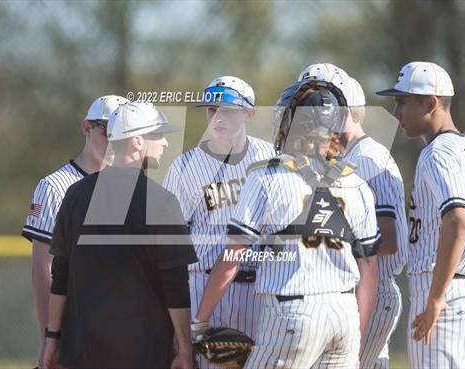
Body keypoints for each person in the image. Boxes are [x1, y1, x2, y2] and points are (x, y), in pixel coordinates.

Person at [194, 79, 381, 368]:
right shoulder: (357, 183)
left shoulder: (267, 177)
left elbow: (232, 257)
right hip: (345, 316)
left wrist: (200, 321)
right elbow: (369, 271)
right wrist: (354, 342)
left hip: (293, 312)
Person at [40, 102, 198, 369]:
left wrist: (52, 339)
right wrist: (184, 349)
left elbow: (60, 276)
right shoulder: (161, 201)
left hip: (82, 351)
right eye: (157, 135)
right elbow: (176, 284)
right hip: (145, 352)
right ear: (137, 141)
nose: (165, 143)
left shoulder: (75, 195)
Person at [377, 61, 465, 369]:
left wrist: (436, 297)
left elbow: (458, 220)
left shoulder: (437, 153)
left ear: (431, 102)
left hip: (446, 289)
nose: (396, 112)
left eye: (403, 102)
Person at [299, 64, 407, 368]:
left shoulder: (369, 157)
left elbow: (388, 238)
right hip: (361, 289)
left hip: (374, 286)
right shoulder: (346, 157)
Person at [163, 76, 274, 369]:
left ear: (249, 113)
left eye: (227, 109)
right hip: (203, 287)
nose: (217, 117)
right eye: (211, 110)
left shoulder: (271, 157)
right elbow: (170, 244)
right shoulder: (185, 166)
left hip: (260, 287)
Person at [21, 95, 128, 347]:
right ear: (86, 128)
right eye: (107, 132)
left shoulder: (131, 187)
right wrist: (50, 339)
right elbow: (42, 268)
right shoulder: (55, 186)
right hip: (75, 328)